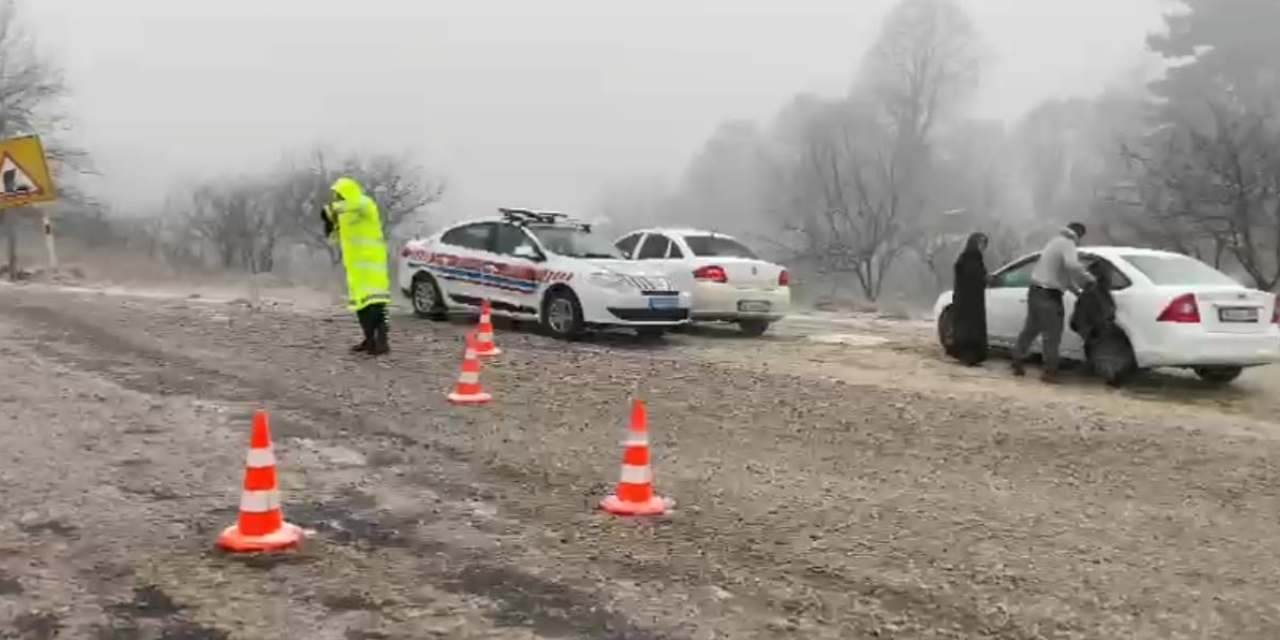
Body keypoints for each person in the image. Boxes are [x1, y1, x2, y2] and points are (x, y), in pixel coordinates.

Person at [1011, 221, 1095, 382]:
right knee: (1052, 334)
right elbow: (1072, 265)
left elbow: (1062, 275)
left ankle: (1017, 360)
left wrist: (1077, 292)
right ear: (1080, 234)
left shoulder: (1054, 242)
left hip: (1035, 292)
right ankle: (1050, 372)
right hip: (1049, 295)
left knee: (1031, 329)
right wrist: (1090, 278)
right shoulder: (1068, 244)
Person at [322, 177, 392, 355]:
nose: (336, 198)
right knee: (361, 306)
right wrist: (330, 225)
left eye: (338, 195)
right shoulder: (345, 217)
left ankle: (382, 342)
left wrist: (331, 209)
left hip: (372, 262)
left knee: (376, 303)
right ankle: (369, 340)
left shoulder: (364, 203)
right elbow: (333, 240)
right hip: (355, 267)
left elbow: (352, 204)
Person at [949, 232, 989, 366]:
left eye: (984, 244)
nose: (983, 247)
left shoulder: (976, 260)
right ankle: (967, 355)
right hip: (966, 301)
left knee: (973, 328)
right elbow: (969, 278)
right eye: (981, 244)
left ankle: (973, 356)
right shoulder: (966, 260)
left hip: (974, 301)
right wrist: (983, 279)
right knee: (968, 330)